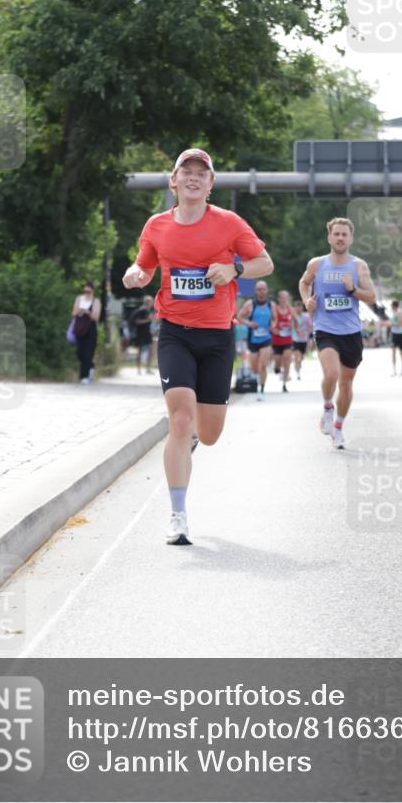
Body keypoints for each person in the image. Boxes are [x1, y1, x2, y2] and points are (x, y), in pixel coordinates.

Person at [123, 148, 272, 545]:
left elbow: (265, 264)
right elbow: (146, 264)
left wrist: (234, 269)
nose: (192, 178)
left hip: (218, 336)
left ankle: (190, 440)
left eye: (200, 173)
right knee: (180, 419)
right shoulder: (156, 225)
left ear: (210, 184)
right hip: (174, 331)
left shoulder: (228, 223)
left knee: (208, 434)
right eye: (184, 172)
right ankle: (177, 516)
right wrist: (137, 273)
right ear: (173, 181)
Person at [298, 217, 376, 449]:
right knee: (331, 374)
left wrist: (353, 289)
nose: (340, 238)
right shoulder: (317, 264)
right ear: (329, 237)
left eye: (345, 234)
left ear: (350, 239)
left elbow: (371, 296)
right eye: (337, 234)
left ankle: (339, 427)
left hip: (351, 331)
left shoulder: (358, 265)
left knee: (346, 384)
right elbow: (304, 283)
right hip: (325, 328)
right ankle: (327, 407)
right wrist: (306, 301)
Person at [237, 280, 277, 401]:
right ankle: (259, 380)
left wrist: (272, 326)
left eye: (263, 288)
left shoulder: (271, 305)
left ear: (267, 290)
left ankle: (261, 389)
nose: (261, 291)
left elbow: (275, 319)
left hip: (266, 338)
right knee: (255, 367)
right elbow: (239, 317)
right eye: (259, 289)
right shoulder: (250, 304)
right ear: (255, 291)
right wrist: (249, 323)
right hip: (253, 339)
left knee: (262, 366)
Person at [72, 282, 101, 384]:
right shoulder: (79, 299)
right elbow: (74, 313)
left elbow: (96, 317)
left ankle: (84, 377)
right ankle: (91, 367)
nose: (86, 293)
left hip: (90, 329)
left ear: (92, 291)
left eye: (88, 291)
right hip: (80, 328)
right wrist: (80, 310)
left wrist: (88, 312)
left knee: (88, 353)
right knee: (80, 352)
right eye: (85, 291)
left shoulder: (96, 301)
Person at [271, 289, 294, 392]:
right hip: (277, 340)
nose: (284, 300)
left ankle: (284, 383)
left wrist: (296, 328)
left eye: (286, 297)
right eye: (282, 298)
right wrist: (273, 329)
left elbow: (297, 321)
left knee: (287, 358)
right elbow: (271, 323)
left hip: (287, 339)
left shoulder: (291, 309)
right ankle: (276, 367)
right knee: (278, 361)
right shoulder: (275, 310)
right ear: (279, 299)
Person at [130, 294, 155, 374]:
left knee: (150, 349)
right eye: (151, 301)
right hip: (140, 332)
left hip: (147, 332)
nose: (153, 303)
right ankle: (139, 369)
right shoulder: (142, 310)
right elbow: (137, 321)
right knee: (140, 351)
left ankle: (147, 368)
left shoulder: (147, 310)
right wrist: (148, 320)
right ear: (148, 302)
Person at [292, 299, 312, 380]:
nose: (298, 309)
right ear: (294, 308)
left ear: (302, 308)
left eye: (300, 307)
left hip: (304, 340)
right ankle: (298, 373)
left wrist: (306, 331)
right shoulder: (293, 317)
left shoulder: (306, 316)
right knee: (297, 356)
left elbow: (310, 327)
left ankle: (298, 369)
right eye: (297, 307)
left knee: (301, 358)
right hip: (295, 339)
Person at [389, 299, 402, 376]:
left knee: (401, 351)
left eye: (391, 306)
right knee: (393, 351)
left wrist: (392, 324)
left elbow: (401, 323)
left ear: (394, 306)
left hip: (400, 334)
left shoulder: (399, 313)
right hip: (394, 334)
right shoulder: (392, 314)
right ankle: (394, 370)